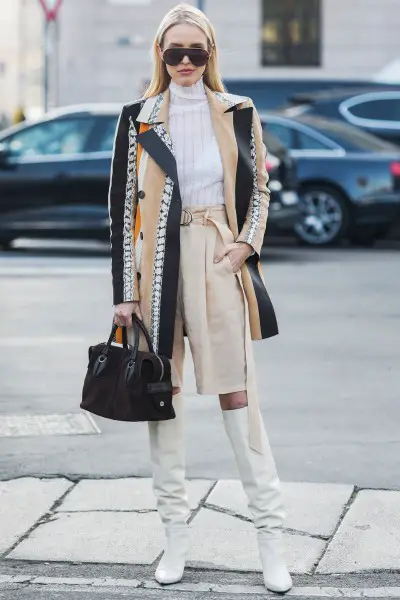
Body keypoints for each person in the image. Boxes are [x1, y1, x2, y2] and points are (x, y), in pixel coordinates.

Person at [109, 3, 292, 594]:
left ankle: (271, 539)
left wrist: (244, 246)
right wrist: (123, 294)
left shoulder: (239, 112)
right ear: (159, 55)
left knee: (240, 399)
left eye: (197, 51)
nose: (186, 61)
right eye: (174, 51)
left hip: (218, 259)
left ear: (211, 55)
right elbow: (119, 213)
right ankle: (175, 539)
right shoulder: (137, 119)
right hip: (155, 270)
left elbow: (259, 189)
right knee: (166, 401)